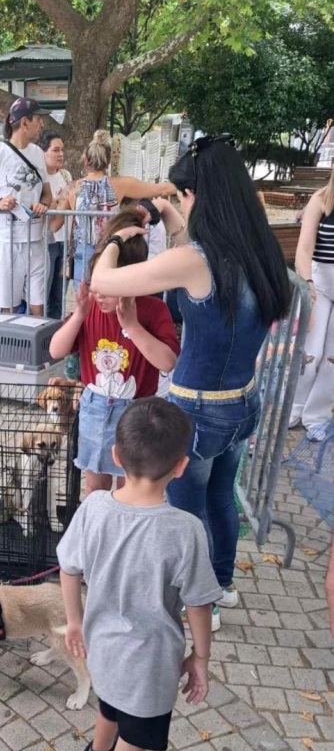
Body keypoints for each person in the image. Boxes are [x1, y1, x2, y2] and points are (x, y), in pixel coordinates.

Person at [90, 135, 291, 615]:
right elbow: (198, 267)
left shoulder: (196, 260)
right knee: (221, 499)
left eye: (183, 195)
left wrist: (118, 237)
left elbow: (102, 281)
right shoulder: (258, 251)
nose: (181, 203)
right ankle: (220, 588)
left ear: (199, 196)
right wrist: (176, 221)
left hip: (197, 410)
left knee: (185, 511)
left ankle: (198, 606)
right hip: (243, 401)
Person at [58, 397, 221, 751]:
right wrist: (200, 658)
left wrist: (74, 621)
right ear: (182, 465)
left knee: (110, 701)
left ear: (115, 455)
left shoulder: (93, 507)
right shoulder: (185, 530)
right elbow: (199, 603)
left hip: (101, 645)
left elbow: (69, 568)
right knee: (138, 731)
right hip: (151, 661)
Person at [49, 210, 179, 494]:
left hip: (137, 411)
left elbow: (168, 362)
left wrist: (132, 326)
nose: (100, 293)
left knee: (131, 484)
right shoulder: (91, 309)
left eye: (109, 286)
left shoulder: (154, 311)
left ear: (134, 281)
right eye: (97, 284)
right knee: (95, 485)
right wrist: (79, 315)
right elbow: (56, 349)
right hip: (96, 407)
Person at [52, 130, 176, 290]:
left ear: (85, 159)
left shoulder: (72, 188)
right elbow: (162, 189)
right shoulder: (121, 184)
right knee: (108, 298)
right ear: (109, 161)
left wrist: (49, 203)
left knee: (84, 303)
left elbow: (54, 225)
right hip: (110, 249)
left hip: (83, 251)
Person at [0, 98, 52, 316]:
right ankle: (10, 348)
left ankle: (36, 348)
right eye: (39, 119)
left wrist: (43, 204)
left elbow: (47, 194)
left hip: (36, 240)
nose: (42, 124)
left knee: (38, 306)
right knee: (9, 307)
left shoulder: (37, 154)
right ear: (24, 122)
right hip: (8, 242)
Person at [289, 167, 334, 441]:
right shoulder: (321, 199)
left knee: (332, 358)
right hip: (319, 282)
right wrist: (307, 283)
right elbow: (304, 250)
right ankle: (292, 407)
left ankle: (318, 415)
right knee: (310, 352)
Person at [38, 132, 72, 319]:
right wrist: (55, 203)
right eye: (55, 150)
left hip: (64, 243)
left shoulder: (66, 175)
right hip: (46, 242)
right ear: (43, 153)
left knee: (59, 296)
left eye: (62, 150)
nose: (60, 154)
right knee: (42, 296)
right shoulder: (38, 180)